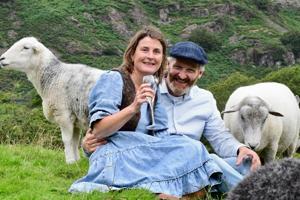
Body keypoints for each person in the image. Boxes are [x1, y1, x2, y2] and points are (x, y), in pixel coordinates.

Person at [82, 41, 262, 193]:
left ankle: (206, 186)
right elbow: (122, 128)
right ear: (167, 65)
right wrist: (89, 143)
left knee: (245, 163)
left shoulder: (205, 99)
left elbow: (219, 137)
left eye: (190, 70)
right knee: (207, 159)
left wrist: (240, 149)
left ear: (200, 74)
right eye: (178, 67)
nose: (182, 75)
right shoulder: (148, 91)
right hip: (158, 164)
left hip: (193, 162)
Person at [69, 26, 224, 199]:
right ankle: (180, 193)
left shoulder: (152, 87)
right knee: (191, 153)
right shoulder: (113, 79)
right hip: (116, 152)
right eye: (145, 50)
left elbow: (162, 134)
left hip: (143, 152)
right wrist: (133, 108)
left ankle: (176, 194)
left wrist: (182, 148)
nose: (150, 56)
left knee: (193, 147)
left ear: (162, 60)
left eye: (156, 52)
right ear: (132, 54)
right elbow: (99, 130)